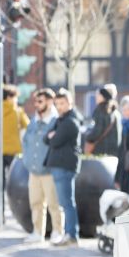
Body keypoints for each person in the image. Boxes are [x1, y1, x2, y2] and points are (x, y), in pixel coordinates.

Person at [22, 89, 63, 243]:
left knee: (54, 203)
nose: (37, 105)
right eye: (36, 102)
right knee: (36, 202)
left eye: (40, 101)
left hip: (49, 170)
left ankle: (58, 231)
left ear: (50, 101)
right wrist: (27, 160)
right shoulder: (34, 120)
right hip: (34, 170)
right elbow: (26, 141)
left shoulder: (56, 120)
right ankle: (37, 231)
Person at [44, 89, 83, 247]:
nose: (59, 107)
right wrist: (51, 136)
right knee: (65, 202)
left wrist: (52, 136)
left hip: (64, 166)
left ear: (70, 103)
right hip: (59, 166)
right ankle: (69, 234)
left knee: (67, 203)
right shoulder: (60, 120)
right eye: (57, 104)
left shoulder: (69, 122)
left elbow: (54, 141)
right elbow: (45, 137)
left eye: (62, 103)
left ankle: (71, 236)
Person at [2, 84, 29, 191]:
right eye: (15, 97)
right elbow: (28, 125)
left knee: (0, 179)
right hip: (14, 149)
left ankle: (0, 203)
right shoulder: (17, 112)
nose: (16, 100)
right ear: (9, 97)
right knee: (15, 177)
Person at [84, 86, 121, 157]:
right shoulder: (115, 111)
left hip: (100, 149)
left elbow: (97, 130)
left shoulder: (100, 109)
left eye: (98, 95)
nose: (96, 97)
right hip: (113, 150)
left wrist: (87, 137)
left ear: (102, 96)